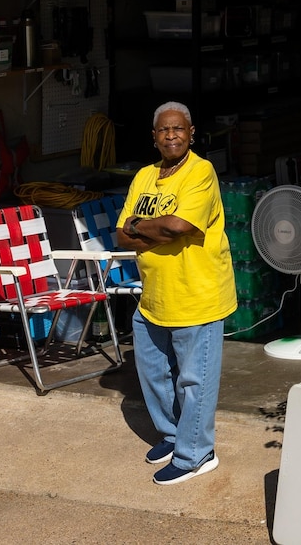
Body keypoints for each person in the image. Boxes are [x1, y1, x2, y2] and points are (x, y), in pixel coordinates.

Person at [115, 101, 237, 485]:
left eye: (178, 129)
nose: (171, 135)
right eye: (164, 130)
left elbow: (179, 225)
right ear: (154, 137)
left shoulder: (201, 172)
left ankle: (197, 454)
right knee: (154, 374)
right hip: (153, 295)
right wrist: (152, 228)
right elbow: (122, 234)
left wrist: (142, 227)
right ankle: (172, 435)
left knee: (193, 380)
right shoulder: (144, 177)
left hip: (195, 294)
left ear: (191, 133)